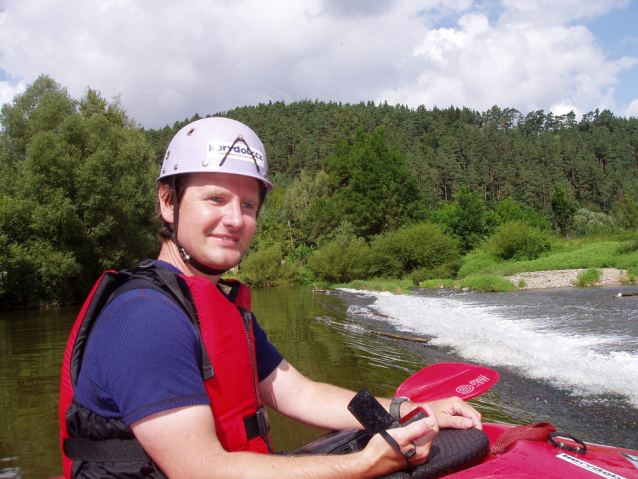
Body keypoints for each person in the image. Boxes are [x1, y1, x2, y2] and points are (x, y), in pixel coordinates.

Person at [59, 117, 482, 479]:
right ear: (169, 202)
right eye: (216, 199)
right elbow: (202, 470)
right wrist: (365, 463)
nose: (235, 219)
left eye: (248, 204)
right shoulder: (145, 319)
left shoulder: (213, 306)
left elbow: (299, 393)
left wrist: (408, 408)